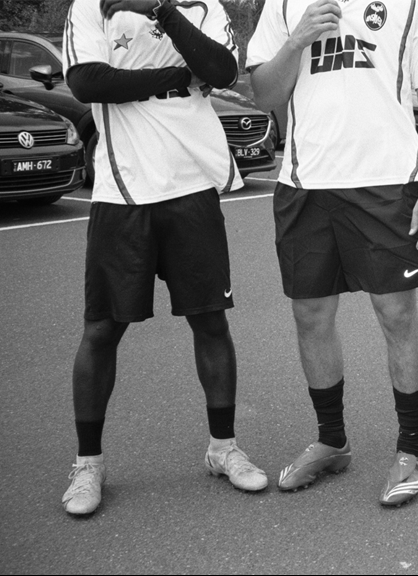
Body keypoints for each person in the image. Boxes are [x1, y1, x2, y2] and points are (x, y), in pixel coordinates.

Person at [245, 0, 418, 505]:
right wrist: (296, 41)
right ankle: (331, 439)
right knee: (310, 315)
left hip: (387, 181)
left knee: (396, 313)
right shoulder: (283, 3)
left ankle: (409, 449)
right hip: (307, 183)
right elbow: (264, 93)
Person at [61, 0, 268, 515]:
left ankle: (223, 448)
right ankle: (88, 464)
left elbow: (220, 70)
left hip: (191, 185)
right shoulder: (92, 6)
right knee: (102, 330)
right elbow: (87, 82)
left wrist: (160, 10)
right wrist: (177, 75)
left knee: (210, 322)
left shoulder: (202, 7)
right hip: (123, 192)